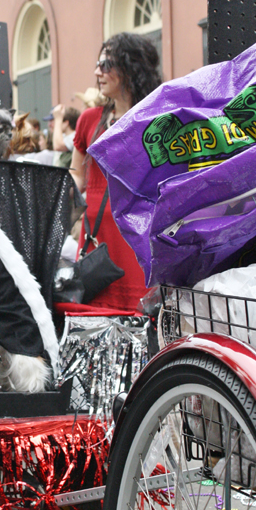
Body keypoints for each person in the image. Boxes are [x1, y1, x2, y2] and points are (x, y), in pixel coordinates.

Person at [70, 33, 161, 312]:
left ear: (131, 68)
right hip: (96, 240)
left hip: (137, 240)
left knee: (141, 320)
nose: (98, 71)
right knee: (94, 320)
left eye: (107, 64)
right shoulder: (89, 119)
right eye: (99, 63)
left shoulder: (156, 116)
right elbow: (77, 176)